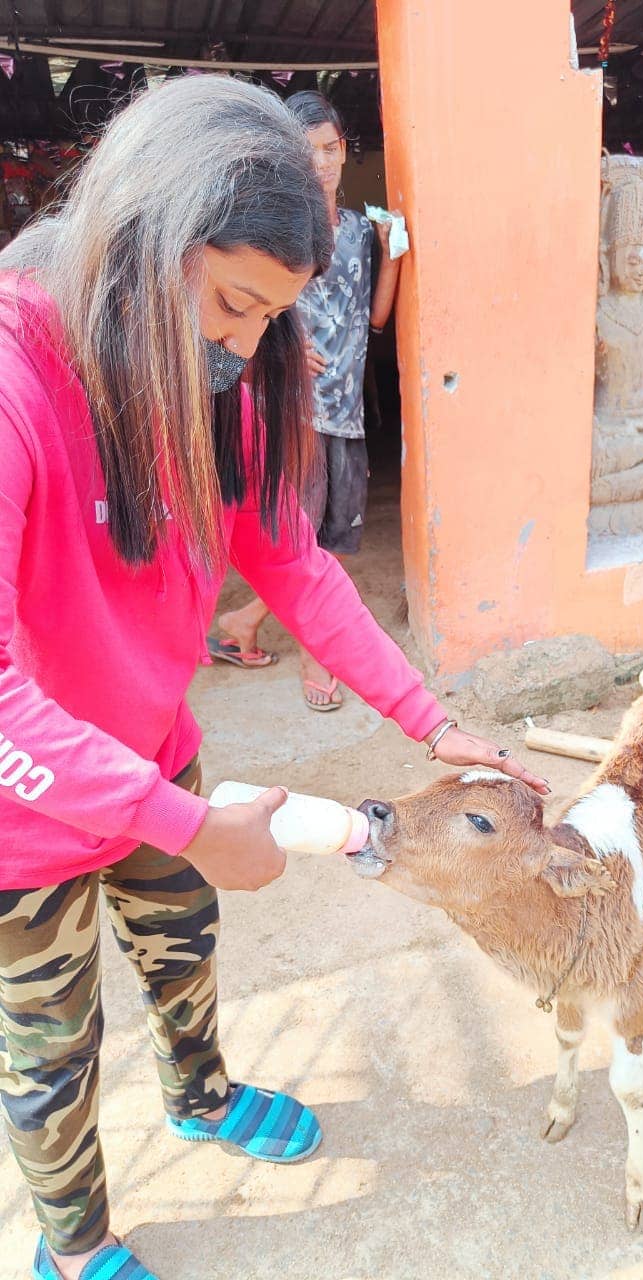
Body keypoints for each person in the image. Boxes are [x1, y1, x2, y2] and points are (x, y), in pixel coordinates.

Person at [0, 75, 547, 1280]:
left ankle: (198, 1094)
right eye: (234, 303)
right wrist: (185, 820)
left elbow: (293, 567)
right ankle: (75, 1240)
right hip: (23, 815)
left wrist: (432, 718)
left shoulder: (224, 379)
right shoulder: (14, 380)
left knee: (182, 941)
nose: (242, 346)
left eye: (267, 318)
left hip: (151, 752)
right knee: (50, 1048)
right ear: (144, 235)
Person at [209, 90, 397, 711]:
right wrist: (276, 357)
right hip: (289, 410)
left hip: (343, 408)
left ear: (345, 151)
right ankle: (319, 650)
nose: (320, 162)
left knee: (336, 531)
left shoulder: (357, 233)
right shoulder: (268, 232)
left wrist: (395, 251)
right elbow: (241, 312)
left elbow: (375, 318)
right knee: (300, 533)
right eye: (307, 149)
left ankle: (243, 622)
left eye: (330, 148)